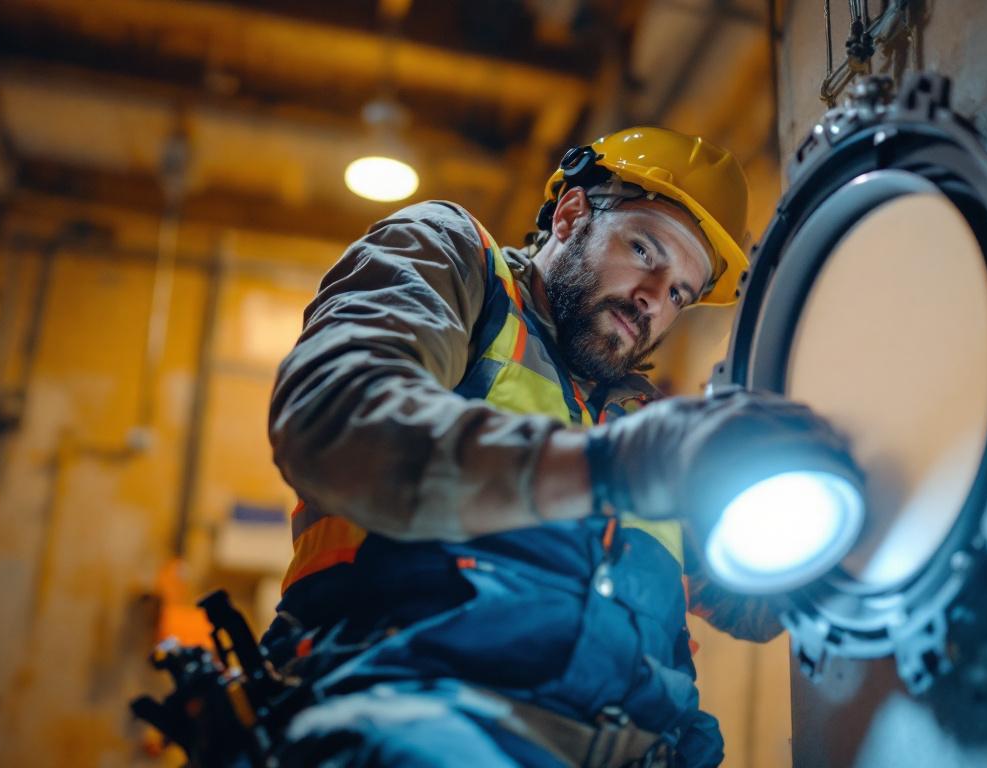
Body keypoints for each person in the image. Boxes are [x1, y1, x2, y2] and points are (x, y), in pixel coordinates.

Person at [262, 127, 856, 767]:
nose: (655, 299)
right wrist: (621, 464)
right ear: (571, 215)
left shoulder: (646, 423)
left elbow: (755, 603)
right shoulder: (457, 264)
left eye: (681, 292)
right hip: (411, 713)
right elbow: (337, 415)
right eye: (644, 250)